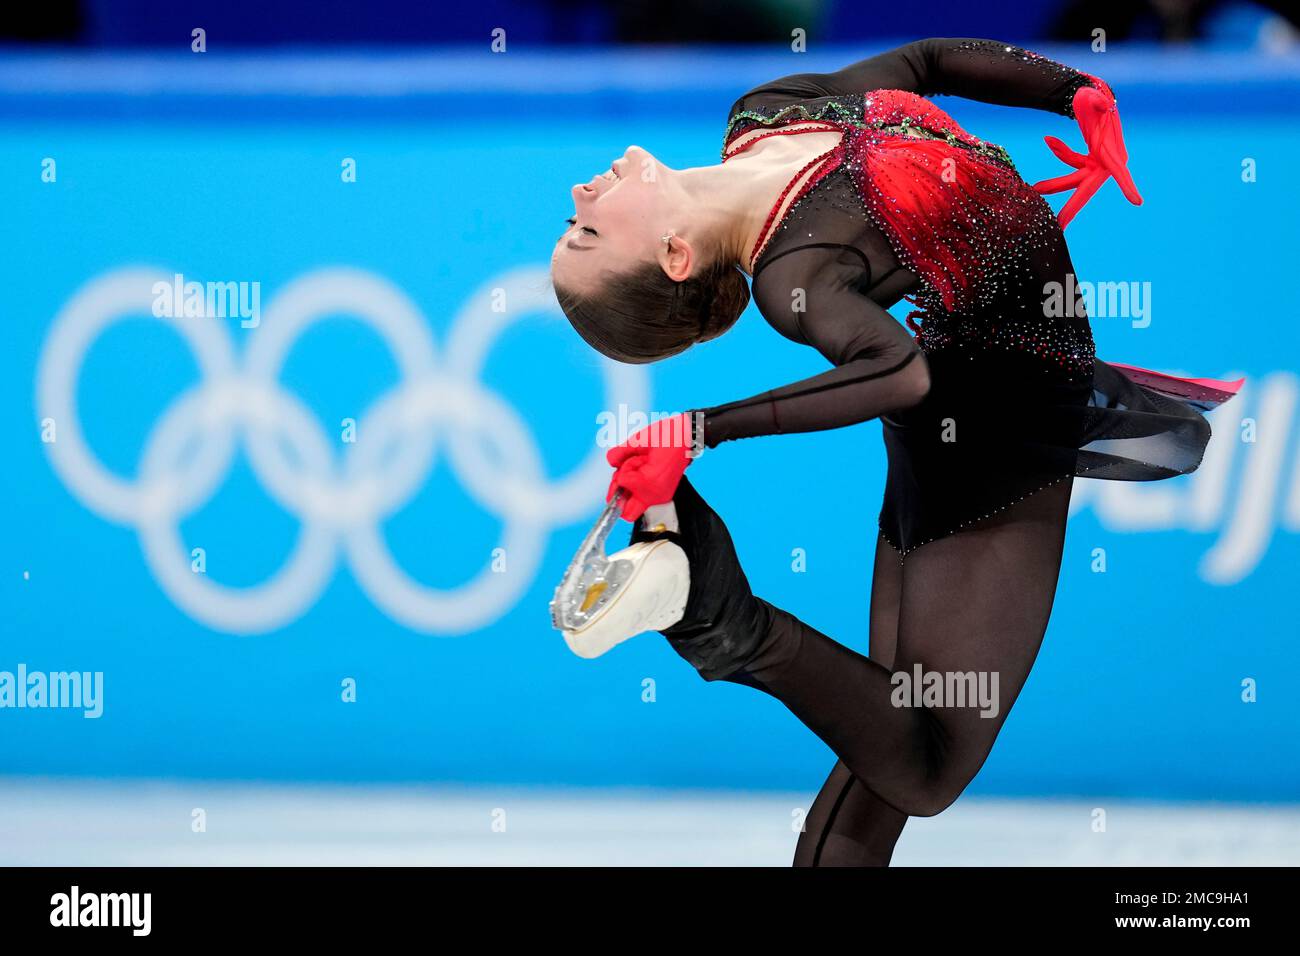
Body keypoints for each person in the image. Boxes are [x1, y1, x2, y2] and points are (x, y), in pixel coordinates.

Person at [550, 38, 1241, 866]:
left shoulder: (768, 113)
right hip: (997, 436)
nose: (580, 191)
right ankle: (730, 623)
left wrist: (1076, 90)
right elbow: (898, 372)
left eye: (573, 224)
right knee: (925, 765)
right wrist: (698, 430)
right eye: (588, 229)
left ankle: (717, 610)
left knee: (890, 746)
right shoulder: (795, 270)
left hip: (968, 404)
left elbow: (924, 62)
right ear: (674, 258)